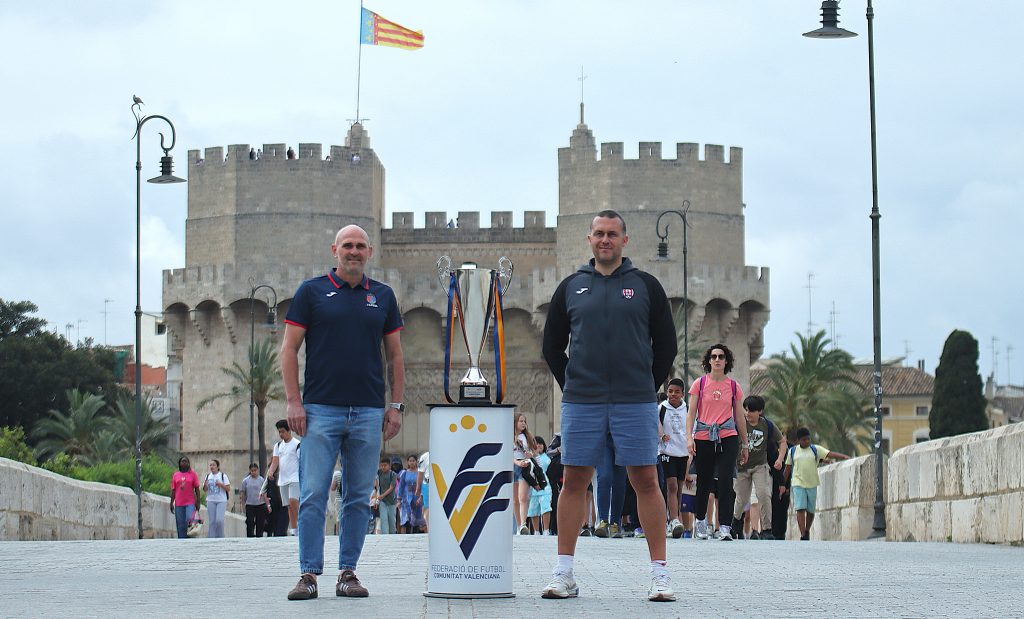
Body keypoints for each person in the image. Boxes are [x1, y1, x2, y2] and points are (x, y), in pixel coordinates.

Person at [541, 210, 678, 602]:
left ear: (624, 240)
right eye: (599, 233)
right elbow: (551, 346)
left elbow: (666, 346)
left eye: (612, 234)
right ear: (589, 239)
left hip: (634, 401)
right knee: (574, 481)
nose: (605, 240)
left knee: (646, 480)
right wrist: (573, 385)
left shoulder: (646, 286)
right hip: (582, 401)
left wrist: (644, 385)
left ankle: (660, 574)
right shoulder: (571, 287)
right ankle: (564, 573)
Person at [280, 224, 405, 601]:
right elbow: (289, 349)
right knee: (314, 493)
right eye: (347, 245)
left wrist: (396, 406)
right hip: (321, 410)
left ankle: (348, 572)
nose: (354, 251)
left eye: (360, 246)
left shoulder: (383, 296)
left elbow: (395, 356)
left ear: (370, 252)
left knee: (356, 498)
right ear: (334, 249)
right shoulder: (311, 292)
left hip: (368, 411)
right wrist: (294, 402)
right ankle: (308, 573)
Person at [686, 344, 749, 542]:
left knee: (725, 481)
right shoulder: (700, 384)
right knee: (704, 481)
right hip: (704, 436)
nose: (717, 359)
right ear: (709, 361)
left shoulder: (733, 386)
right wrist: (689, 438)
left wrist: (745, 444)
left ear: (726, 360)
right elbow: (691, 413)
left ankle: (725, 527)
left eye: (721, 356)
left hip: (727, 436)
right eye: (713, 356)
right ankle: (701, 522)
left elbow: (739, 417)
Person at [731, 395, 786, 540]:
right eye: (746, 410)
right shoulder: (739, 423)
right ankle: (736, 523)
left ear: (760, 411)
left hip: (760, 466)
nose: (748, 413)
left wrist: (780, 460)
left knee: (764, 494)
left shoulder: (767, 425)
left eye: (751, 411)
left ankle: (767, 529)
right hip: (741, 467)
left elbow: (782, 442)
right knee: (741, 499)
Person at [783, 427, 850, 540]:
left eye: (808, 439)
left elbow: (830, 454)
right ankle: (803, 534)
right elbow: (788, 469)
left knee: (810, 510)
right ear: (798, 440)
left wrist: (843, 457)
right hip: (798, 483)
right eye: (804, 440)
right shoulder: (793, 451)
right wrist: (782, 484)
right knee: (800, 508)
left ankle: (807, 530)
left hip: (812, 484)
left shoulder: (815, 449)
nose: (807, 441)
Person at [658, 378, 692, 539]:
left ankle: (674, 520)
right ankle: (673, 519)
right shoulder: (662, 408)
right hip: (666, 452)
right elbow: (656, 424)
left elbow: (692, 429)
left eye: (677, 392)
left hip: (682, 453)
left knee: (678, 488)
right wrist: (661, 435)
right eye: (670, 391)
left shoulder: (688, 410)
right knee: (671, 485)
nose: (673, 394)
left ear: (682, 394)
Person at [266, 419, 301, 536]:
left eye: (283, 432)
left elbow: (301, 462)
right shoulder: (278, 446)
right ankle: (294, 529)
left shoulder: (297, 444)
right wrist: (271, 472)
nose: (281, 434)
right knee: (288, 506)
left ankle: (301, 524)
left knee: (293, 502)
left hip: (295, 478)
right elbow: (275, 461)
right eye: (279, 432)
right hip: (283, 479)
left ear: (289, 431)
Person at [513, 413, 539, 534]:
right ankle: (519, 526)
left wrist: (531, 455)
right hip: (513, 466)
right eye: (521, 421)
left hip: (525, 466)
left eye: (524, 421)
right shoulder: (508, 436)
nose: (523, 423)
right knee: (515, 500)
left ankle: (524, 524)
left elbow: (536, 452)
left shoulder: (527, 436)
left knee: (523, 497)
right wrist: (517, 462)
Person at [170, 456, 200, 539]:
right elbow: (173, 490)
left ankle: (190, 538)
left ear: (188, 463)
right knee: (180, 523)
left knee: (190, 519)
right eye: (182, 461)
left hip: (190, 502)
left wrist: (198, 502)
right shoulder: (176, 475)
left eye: (186, 461)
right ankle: (181, 540)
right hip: (179, 503)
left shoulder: (193, 474)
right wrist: (171, 502)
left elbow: (197, 489)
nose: (184, 463)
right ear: (179, 464)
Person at [529, 436, 554, 535]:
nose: (539, 445)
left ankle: (546, 530)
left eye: (540, 443)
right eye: (536, 444)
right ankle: (536, 531)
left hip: (545, 488)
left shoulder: (547, 458)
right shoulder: (528, 457)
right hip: (533, 488)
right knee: (533, 511)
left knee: (546, 508)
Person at [203, 459, 231, 538]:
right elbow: (205, 489)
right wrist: (205, 485)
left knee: (219, 520)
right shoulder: (208, 476)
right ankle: (211, 538)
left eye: (213, 465)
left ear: (218, 467)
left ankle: (220, 537)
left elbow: (228, 488)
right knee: (212, 521)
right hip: (210, 500)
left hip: (221, 500)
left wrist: (220, 484)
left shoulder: (223, 476)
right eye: (210, 465)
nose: (212, 467)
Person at [398, 455, 425, 533]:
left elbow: (423, 485)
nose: (412, 462)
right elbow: (401, 486)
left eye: (413, 461)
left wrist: (421, 496)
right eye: (410, 461)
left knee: (417, 518)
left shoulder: (420, 473)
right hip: (407, 498)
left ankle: (417, 534)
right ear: (407, 462)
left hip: (417, 497)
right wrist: (399, 500)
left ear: (416, 462)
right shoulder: (404, 473)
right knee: (407, 518)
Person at [240, 463, 268, 537]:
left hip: (260, 504)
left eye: (255, 470)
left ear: (257, 470)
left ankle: (259, 536)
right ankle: (250, 536)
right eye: (252, 471)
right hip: (250, 504)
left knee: (260, 522)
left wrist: (267, 504)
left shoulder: (261, 480)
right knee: (250, 522)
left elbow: (264, 493)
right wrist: (243, 505)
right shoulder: (245, 481)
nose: (253, 472)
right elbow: (243, 494)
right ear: (250, 471)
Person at [374, 458, 399, 534]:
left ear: (389, 466)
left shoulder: (393, 474)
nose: (383, 467)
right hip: (383, 501)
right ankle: (385, 536)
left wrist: (383, 495)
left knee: (392, 521)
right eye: (381, 465)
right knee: (383, 519)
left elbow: (391, 487)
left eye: (385, 465)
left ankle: (392, 536)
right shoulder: (379, 472)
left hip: (392, 501)